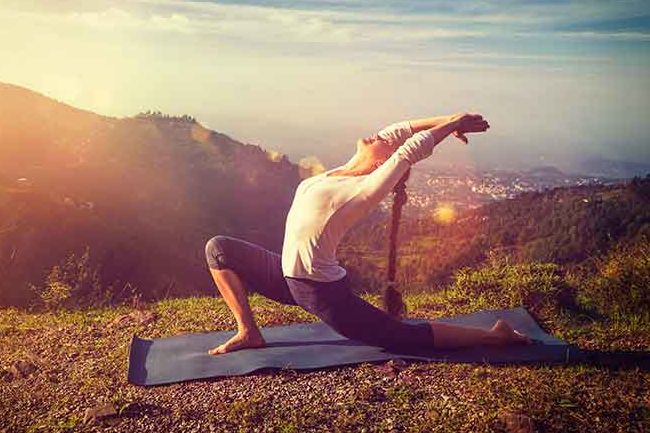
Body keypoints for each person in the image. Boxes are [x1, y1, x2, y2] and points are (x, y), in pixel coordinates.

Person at [204, 112, 531, 355]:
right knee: (218, 249)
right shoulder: (339, 172)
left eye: (382, 144)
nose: (378, 137)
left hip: (320, 291)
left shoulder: (363, 190)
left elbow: (408, 150)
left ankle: (495, 336)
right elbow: (401, 131)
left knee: (402, 338)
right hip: (287, 277)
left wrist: (453, 123)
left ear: (382, 164)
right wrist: (451, 118)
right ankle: (249, 332)